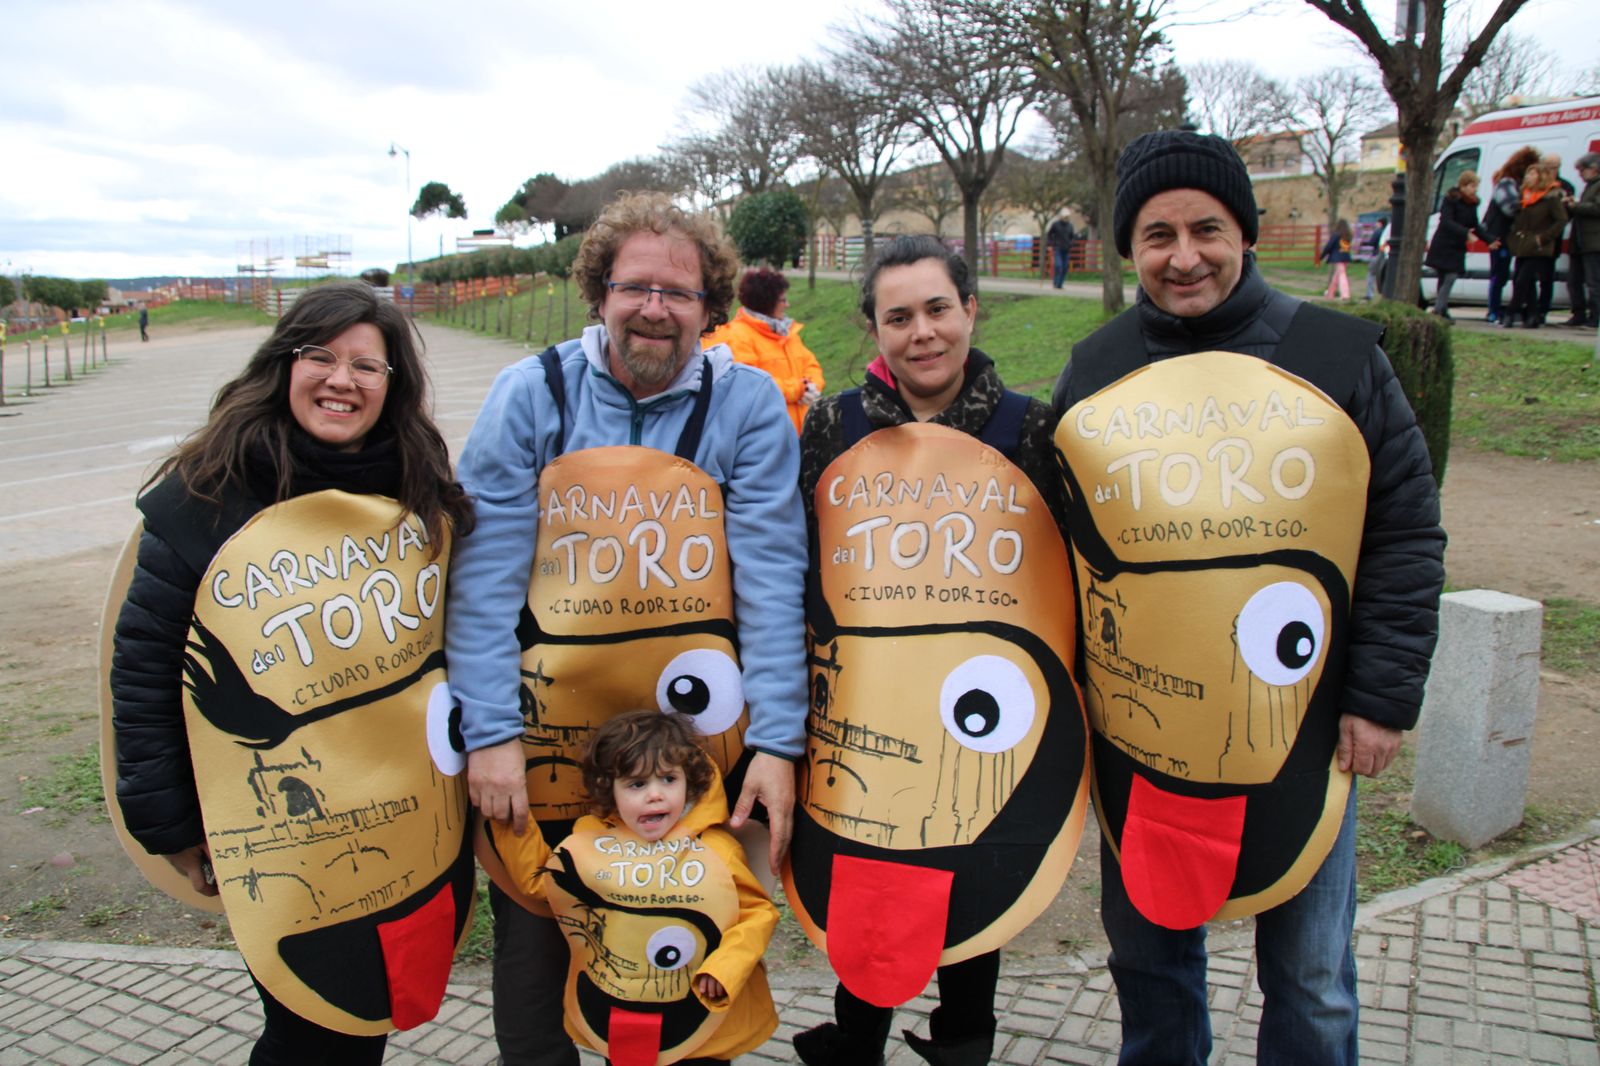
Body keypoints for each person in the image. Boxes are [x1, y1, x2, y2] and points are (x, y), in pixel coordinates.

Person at [1051, 130, 1445, 1066]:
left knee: (1312, 982)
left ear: (1247, 233)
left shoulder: (1341, 359)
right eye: (1157, 235)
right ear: (1129, 248)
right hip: (1141, 740)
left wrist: (1382, 699)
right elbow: (1057, 551)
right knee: (1150, 969)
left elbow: (1403, 534)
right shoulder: (1095, 372)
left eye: (1206, 228)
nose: (1183, 256)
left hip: (1303, 732)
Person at [446, 191, 808, 1066]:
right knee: (537, 946)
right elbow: (483, 579)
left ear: (710, 308)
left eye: (678, 293)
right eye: (635, 286)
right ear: (598, 293)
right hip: (547, 744)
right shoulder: (529, 395)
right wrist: (489, 731)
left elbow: (770, 580)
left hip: (691, 760)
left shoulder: (749, 406)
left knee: (684, 959)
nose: (654, 308)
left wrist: (779, 743)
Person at [109, 281, 476, 1063]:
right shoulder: (207, 492)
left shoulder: (416, 482)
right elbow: (145, 671)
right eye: (320, 356)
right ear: (283, 365)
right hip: (283, 829)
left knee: (368, 1014)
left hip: (406, 818)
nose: (342, 380)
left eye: (366, 366)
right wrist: (168, 821)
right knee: (311, 1028)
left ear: (392, 385)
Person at [790, 234, 1086, 1066]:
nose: (921, 332)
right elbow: (800, 558)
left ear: (969, 310)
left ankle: (964, 1042)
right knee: (868, 873)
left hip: (980, 709)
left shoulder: (1029, 426)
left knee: (974, 868)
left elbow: (1059, 569)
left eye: (936, 310)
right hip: (868, 704)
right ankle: (857, 1041)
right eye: (898, 317)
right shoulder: (833, 423)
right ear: (874, 329)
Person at [487, 710, 779, 1065]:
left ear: (690, 782)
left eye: (668, 780)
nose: (655, 796)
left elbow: (756, 913)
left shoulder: (717, 850)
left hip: (701, 1016)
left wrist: (726, 968)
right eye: (637, 784)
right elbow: (543, 886)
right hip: (620, 1016)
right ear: (609, 789)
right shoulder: (590, 843)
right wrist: (507, 822)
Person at [702, 267, 825, 433]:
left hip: (800, 435)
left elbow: (812, 365)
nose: (787, 304)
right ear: (767, 303)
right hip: (766, 439)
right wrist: (797, 389)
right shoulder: (737, 337)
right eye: (782, 300)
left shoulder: (787, 334)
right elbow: (748, 386)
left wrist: (812, 385)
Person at [1504, 162, 1570, 329]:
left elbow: (1561, 220)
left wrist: (1545, 238)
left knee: (1522, 280)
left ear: (1541, 177)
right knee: (1525, 281)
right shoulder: (1524, 195)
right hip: (1522, 243)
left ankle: (1512, 312)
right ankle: (1532, 315)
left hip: (1538, 245)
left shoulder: (1551, 197)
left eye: (1533, 174)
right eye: (1528, 174)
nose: (1528, 177)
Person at [1482, 146, 1540, 323]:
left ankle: (1503, 310)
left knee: (1506, 273)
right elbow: (1510, 208)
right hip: (1499, 235)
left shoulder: (1513, 183)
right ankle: (1493, 310)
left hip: (1508, 235)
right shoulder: (1507, 182)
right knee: (1499, 273)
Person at [1424, 170, 1486, 320]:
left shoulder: (1472, 204)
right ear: (1463, 186)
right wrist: (1465, 233)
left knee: (1448, 277)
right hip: (1444, 244)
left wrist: (1490, 240)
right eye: (1472, 185)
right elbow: (1446, 221)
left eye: (1475, 186)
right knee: (1447, 276)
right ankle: (1440, 310)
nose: (1475, 189)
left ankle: (1441, 310)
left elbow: (1475, 226)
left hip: (1457, 247)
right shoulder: (1451, 200)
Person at [1562, 152, 1600, 328]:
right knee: (1574, 280)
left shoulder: (1598, 186)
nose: (1580, 175)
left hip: (1593, 242)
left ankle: (1595, 317)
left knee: (1594, 282)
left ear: (1594, 169)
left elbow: (1597, 208)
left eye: (1582, 170)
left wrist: (1575, 206)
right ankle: (1578, 314)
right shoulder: (1589, 186)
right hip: (1580, 241)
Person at [1539, 153, 1577, 325]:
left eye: (1554, 167)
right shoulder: (1537, 185)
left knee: (1547, 277)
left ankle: (1542, 310)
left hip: (1553, 239)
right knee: (1528, 275)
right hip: (1533, 238)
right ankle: (1530, 308)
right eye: (1548, 166)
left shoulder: (1565, 186)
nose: (1551, 170)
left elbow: (1566, 215)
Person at [1319, 218, 1353, 300]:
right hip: (1346, 257)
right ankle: (1330, 294)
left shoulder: (1336, 235)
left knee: (1341, 275)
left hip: (1337, 257)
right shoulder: (1348, 235)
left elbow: (1329, 246)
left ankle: (1345, 294)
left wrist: (1321, 256)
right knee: (1337, 276)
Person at [1047, 209, 1077, 288]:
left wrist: (1071, 243)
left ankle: (1060, 284)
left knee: (1065, 267)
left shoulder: (1070, 226)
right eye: (1064, 217)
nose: (1066, 218)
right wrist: (1051, 244)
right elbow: (1050, 234)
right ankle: (1056, 282)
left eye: (1067, 217)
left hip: (1066, 249)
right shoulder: (1056, 225)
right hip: (1058, 248)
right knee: (1058, 266)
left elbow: (1072, 236)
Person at [1362, 217, 1387, 301]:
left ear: (1380, 223)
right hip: (1385, 255)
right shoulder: (1386, 231)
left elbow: (1372, 242)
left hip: (1376, 254)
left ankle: (1370, 293)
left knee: (1371, 274)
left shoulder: (1378, 232)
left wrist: (1364, 243)